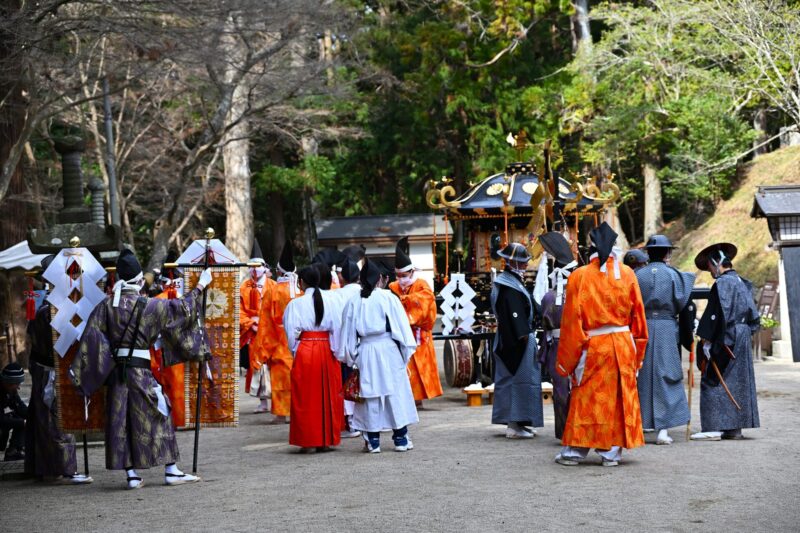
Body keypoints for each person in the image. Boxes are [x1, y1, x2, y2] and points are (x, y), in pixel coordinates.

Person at [73, 249, 212, 489]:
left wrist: (83, 373)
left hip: (116, 375)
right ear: (139, 281)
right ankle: (171, 470)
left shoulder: (106, 306)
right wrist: (201, 286)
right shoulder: (150, 306)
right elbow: (182, 309)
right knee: (161, 413)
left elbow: (91, 340)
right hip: (141, 373)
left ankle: (132, 475)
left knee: (122, 422)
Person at [555, 222, 648, 466]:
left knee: (586, 398)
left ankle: (574, 451)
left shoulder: (579, 276)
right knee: (617, 400)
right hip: (622, 344)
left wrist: (567, 362)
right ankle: (611, 453)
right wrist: (638, 352)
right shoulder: (627, 274)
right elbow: (639, 315)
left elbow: (572, 323)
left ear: (590, 249)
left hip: (593, 345)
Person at [338, 259, 418, 453]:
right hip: (389, 348)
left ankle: (373, 441)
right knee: (395, 393)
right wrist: (404, 353)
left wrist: (353, 356)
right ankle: (400, 438)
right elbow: (402, 329)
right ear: (380, 279)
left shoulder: (354, 301)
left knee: (369, 395)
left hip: (366, 349)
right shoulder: (388, 298)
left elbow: (347, 334)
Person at [24, 254, 92, 483]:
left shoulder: (50, 306)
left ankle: (43, 467)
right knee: (57, 419)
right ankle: (65, 470)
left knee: (45, 419)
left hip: (45, 366)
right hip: (50, 369)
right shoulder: (48, 310)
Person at [691, 242, 760, 441]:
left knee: (713, 376)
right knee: (738, 381)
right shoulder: (741, 281)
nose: (711, 272)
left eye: (710, 267)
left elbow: (719, 314)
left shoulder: (722, 283)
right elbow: (754, 317)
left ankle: (714, 426)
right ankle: (734, 428)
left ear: (716, 264)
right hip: (743, 333)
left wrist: (707, 339)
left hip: (729, 333)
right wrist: (744, 333)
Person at [636, 235, 695, 445]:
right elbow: (684, 303)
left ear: (648, 253)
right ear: (667, 253)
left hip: (640, 328)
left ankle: (640, 424)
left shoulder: (636, 275)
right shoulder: (676, 276)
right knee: (666, 373)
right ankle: (663, 429)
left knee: (641, 374)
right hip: (666, 328)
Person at [283, 266, 343, 452]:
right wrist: (336, 350)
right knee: (327, 395)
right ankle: (326, 440)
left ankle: (308, 440)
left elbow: (290, 332)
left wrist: (296, 350)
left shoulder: (295, 304)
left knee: (305, 396)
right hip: (327, 349)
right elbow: (338, 328)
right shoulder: (332, 301)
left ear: (301, 282)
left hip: (306, 349)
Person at [490, 242, 544, 439]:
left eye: (524, 263)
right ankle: (513, 425)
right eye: (521, 263)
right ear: (511, 262)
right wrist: (523, 335)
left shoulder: (512, 283)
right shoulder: (508, 286)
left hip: (515, 337)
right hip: (515, 339)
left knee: (524, 381)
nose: (524, 266)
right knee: (517, 381)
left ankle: (522, 421)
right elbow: (514, 314)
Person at [389, 237, 443, 407]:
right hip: (400, 334)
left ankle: (418, 399)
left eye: (404, 276)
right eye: (398, 276)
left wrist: (406, 299)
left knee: (420, 367)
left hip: (419, 333)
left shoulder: (422, 285)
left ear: (412, 272)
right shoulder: (392, 287)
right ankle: (406, 399)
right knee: (404, 367)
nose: (401, 279)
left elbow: (427, 301)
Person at [253, 240, 302, 424]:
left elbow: (265, 323)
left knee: (281, 379)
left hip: (280, 340)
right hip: (302, 339)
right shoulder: (301, 290)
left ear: (279, 272)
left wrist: (262, 350)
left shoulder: (273, 292)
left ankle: (282, 413)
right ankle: (297, 411)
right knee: (299, 379)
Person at [537, 233, 578, 440]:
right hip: (576, 346)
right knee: (575, 389)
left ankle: (564, 432)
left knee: (561, 391)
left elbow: (544, 326)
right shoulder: (579, 294)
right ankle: (576, 431)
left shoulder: (548, 297)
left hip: (556, 346)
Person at [327, 259, 364, 438]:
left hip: (345, 344)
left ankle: (351, 422)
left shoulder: (336, 295)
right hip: (367, 342)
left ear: (342, 278)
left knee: (348, 382)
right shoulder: (369, 293)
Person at [149, 260, 187, 428]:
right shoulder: (186, 298)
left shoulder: (156, 300)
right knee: (181, 384)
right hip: (185, 347)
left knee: (169, 383)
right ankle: (185, 418)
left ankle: (173, 419)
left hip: (163, 347)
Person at [240, 240, 274, 414]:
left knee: (273, 366)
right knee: (257, 366)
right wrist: (251, 324)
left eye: (258, 266)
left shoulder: (273, 285)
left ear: (264, 266)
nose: (254, 269)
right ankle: (262, 401)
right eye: (251, 266)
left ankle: (275, 400)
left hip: (270, 332)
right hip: (254, 333)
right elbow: (239, 311)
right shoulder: (243, 287)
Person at [1, 363, 27, 461]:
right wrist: (23, 422)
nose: (19, 387)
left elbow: (21, 408)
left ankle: (14, 451)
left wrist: (35, 416)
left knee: (23, 420)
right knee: (20, 421)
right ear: (8, 382)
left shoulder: (11, 391)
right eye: (17, 384)